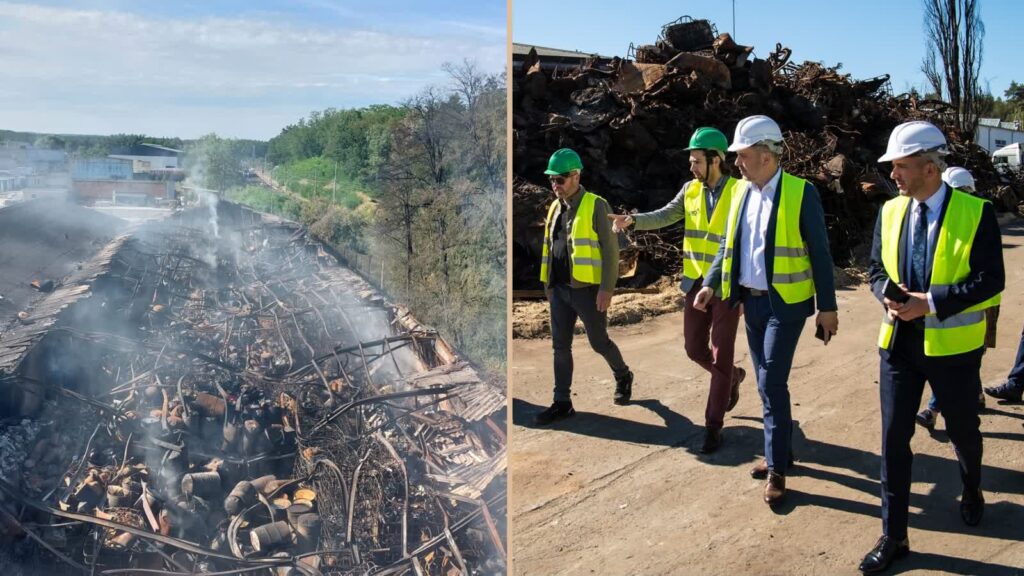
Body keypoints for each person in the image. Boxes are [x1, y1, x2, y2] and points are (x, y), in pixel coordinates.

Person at [858, 121, 1003, 574]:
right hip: (899, 345)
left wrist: (932, 304)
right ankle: (894, 536)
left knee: (963, 431)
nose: (893, 175)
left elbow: (990, 280)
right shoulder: (891, 211)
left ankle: (972, 487)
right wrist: (885, 291)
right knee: (893, 440)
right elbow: (874, 268)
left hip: (953, 350)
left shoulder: (976, 212)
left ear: (928, 167)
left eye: (900, 166)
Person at [696, 115, 839, 505]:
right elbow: (728, 245)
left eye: (741, 155)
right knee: (764, 381)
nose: (735, 163)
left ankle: (777, 469)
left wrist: (828, 308)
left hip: (786, 306)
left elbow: (821, 255)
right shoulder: (740, 192)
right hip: (750, 303)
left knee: (771, 382)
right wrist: (710, 283)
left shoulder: (800, 192)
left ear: (764, 154)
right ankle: (783, 448)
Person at [608, 127, 746, 454]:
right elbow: (666, 214)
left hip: (727, 284)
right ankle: (734, 377)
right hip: (694, 281)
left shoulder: (741, 192)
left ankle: (713, 426)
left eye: (697, 161)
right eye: (691, 161)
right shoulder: (690, 191)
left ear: (717, 160)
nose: (692, 167)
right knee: (693, 349)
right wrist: (633, 220)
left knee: (719, 353)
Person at [533, 148, 633, 426]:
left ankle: (623, 374)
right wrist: (548, 285)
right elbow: (550, 249)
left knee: (598, 342)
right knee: (560, 347)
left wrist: (606, 289)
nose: (556, 185)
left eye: (561, 179)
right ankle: (562, 402)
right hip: (559, 290)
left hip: (588, 291)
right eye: (552, 180)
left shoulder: (596, 205)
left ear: (576, 176)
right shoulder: (554, 207)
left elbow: (611, 252)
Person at [914, 166, 987, 429]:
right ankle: (962, 398)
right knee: (963, 357)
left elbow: (988, 275)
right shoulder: (934, 217)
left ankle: (935, 407)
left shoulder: (978, 215)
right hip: (947, 304)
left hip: (975, 305)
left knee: (968, 356)